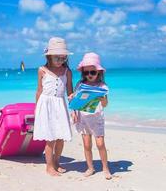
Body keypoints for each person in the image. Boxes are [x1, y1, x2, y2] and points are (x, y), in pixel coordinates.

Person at [33, 37, 73, 176]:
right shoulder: (42, 70)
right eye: (57, 57)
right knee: (50, 138)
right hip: (46, 106)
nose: (60, 60)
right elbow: (39, 91)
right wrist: (36, 109)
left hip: (60, 106)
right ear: (49, 56)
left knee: (61, 137)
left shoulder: (67, 71)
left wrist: (74, 106)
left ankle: (57, 162)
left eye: (63, 58)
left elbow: (70, 91)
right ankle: (49, 166)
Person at [71, 52, 112, 180]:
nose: (89, 75)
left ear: (98, 72)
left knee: (100, 144)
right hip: (83, 118)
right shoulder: (79, 85)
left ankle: (105, 168)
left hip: (97, 118)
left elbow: (105, 104)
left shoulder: (102, 86)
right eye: (86, 72)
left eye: (92, 72)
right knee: (87, 145)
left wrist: (102, 99)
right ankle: (90, 167)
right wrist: (73, 108)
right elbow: (75, 103)